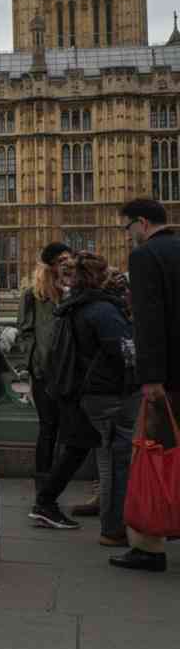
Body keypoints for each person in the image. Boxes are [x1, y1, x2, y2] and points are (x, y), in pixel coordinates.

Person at [28, 252, 134, 539]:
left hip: (75, 390)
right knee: (112, 458)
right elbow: (124, 353)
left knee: (79, 447)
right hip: (100, 391)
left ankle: (46, 502)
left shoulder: (70, 306)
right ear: (97, 278)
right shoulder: (101, 310)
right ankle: (113, 527)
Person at [114, 198, 179, 572]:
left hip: (166, 378)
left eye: (127, 228)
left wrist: (151, 378)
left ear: (141, 223)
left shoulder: (145, 257)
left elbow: (148, 321)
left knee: (154, 456)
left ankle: (149, 546)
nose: (127, 237)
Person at [17, 244, 73, 496]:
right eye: (62, 259)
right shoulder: (34, 294)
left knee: (70, 430)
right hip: (45, 372)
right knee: (48, 428)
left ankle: (56, 485)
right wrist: (34, 364)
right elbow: (25, 332)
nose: (67, 263)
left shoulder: (74, 291)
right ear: (49, 265)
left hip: (73, 372)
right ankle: (44, 487)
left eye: (69, 259)